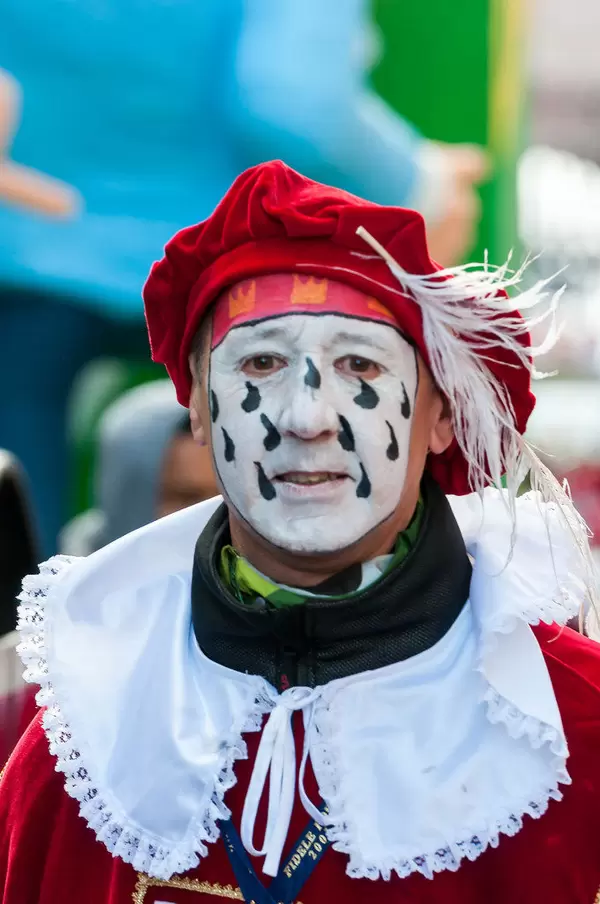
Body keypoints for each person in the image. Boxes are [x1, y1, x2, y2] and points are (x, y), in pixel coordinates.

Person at [3, 161, 597, 904]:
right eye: (260, 363)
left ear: (439, 416)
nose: (306, 418)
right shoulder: (86, 727)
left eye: (358, 365)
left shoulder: (572, 729)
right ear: (198, 410)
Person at [0, 0, 486, 555]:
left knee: (16, 547)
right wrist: (420, 187)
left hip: (26, 254)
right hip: (235, 266)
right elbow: (297, 104)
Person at [60, 381, 218, 557]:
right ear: (127, 498)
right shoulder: (59, 583)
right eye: (189, 498)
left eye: (227, 498)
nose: (216, 516)